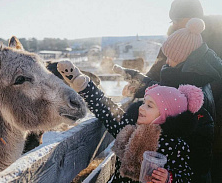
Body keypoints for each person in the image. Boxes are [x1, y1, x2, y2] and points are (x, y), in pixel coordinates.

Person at [57, 60, 209, 182]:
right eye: (143, 102)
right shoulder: (129, 129)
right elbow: (106, 109)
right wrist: (82, 83)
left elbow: (186, 176)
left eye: (150, 106)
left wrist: (168, 178)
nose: (141, 108)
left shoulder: (177, 145)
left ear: (165, 115)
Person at [119, 17, 220, 183]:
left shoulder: (193, 89)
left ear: (184, 59)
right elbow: (159, 88)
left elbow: (196, 158)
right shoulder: (185, 77)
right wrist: (137, 85)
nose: (166, 61)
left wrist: (171, 177)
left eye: (171, 57)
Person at [145, 2, 222, 181]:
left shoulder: (216, 37)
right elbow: (158, 71)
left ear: (196, 18)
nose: (175, 24)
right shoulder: (175, 40)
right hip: (191, 134)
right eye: (172, 20)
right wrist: (140, 87)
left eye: (179, 19)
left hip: (209, 131)